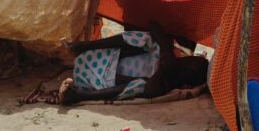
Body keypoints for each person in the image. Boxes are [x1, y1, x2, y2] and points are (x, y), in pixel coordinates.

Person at [56, 25, 208, 105]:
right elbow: (153, 24)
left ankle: (80, 96)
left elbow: (149, 91)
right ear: (187, 57)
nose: (181, 67)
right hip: (99, 57)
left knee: (141, 85)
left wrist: (163, 70)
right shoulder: (168, 52)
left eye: (185, 71)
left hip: (100, 81)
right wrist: (166, 52)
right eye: (186, 63)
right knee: (146, 39)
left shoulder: (166, 84)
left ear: (186, 83)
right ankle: (84, 46)